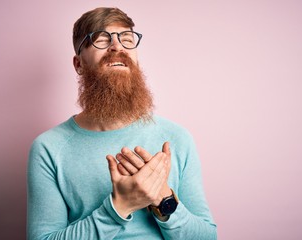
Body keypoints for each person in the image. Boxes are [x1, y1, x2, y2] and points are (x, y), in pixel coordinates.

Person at [27, 7, 217, 240]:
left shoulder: (176, 137)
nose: (117, 47)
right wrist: (119, 207)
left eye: (127, 39)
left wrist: (163, 198)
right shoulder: (48, 148)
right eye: (101, 40)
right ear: (78, 64)